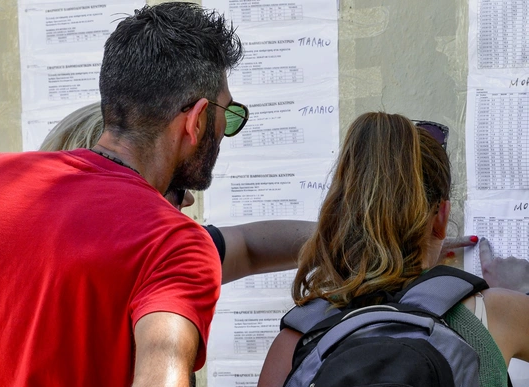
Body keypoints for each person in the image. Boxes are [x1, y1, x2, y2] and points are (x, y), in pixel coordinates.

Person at [0, 2, 244, 387]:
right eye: (228, 114)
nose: (226, 131)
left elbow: (246, 246)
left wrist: (326, 236)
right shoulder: (171, 241)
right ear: (197, 120)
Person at [253, 112, 529, 387]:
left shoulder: (293, 341)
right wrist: (519, 290)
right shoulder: (495, 314)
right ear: (441, 216)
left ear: (340, 212)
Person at [41, 102, 479, 282]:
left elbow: (249, 247)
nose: (189, 201)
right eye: (176, 186)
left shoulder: (150, 251)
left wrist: (385, 236)